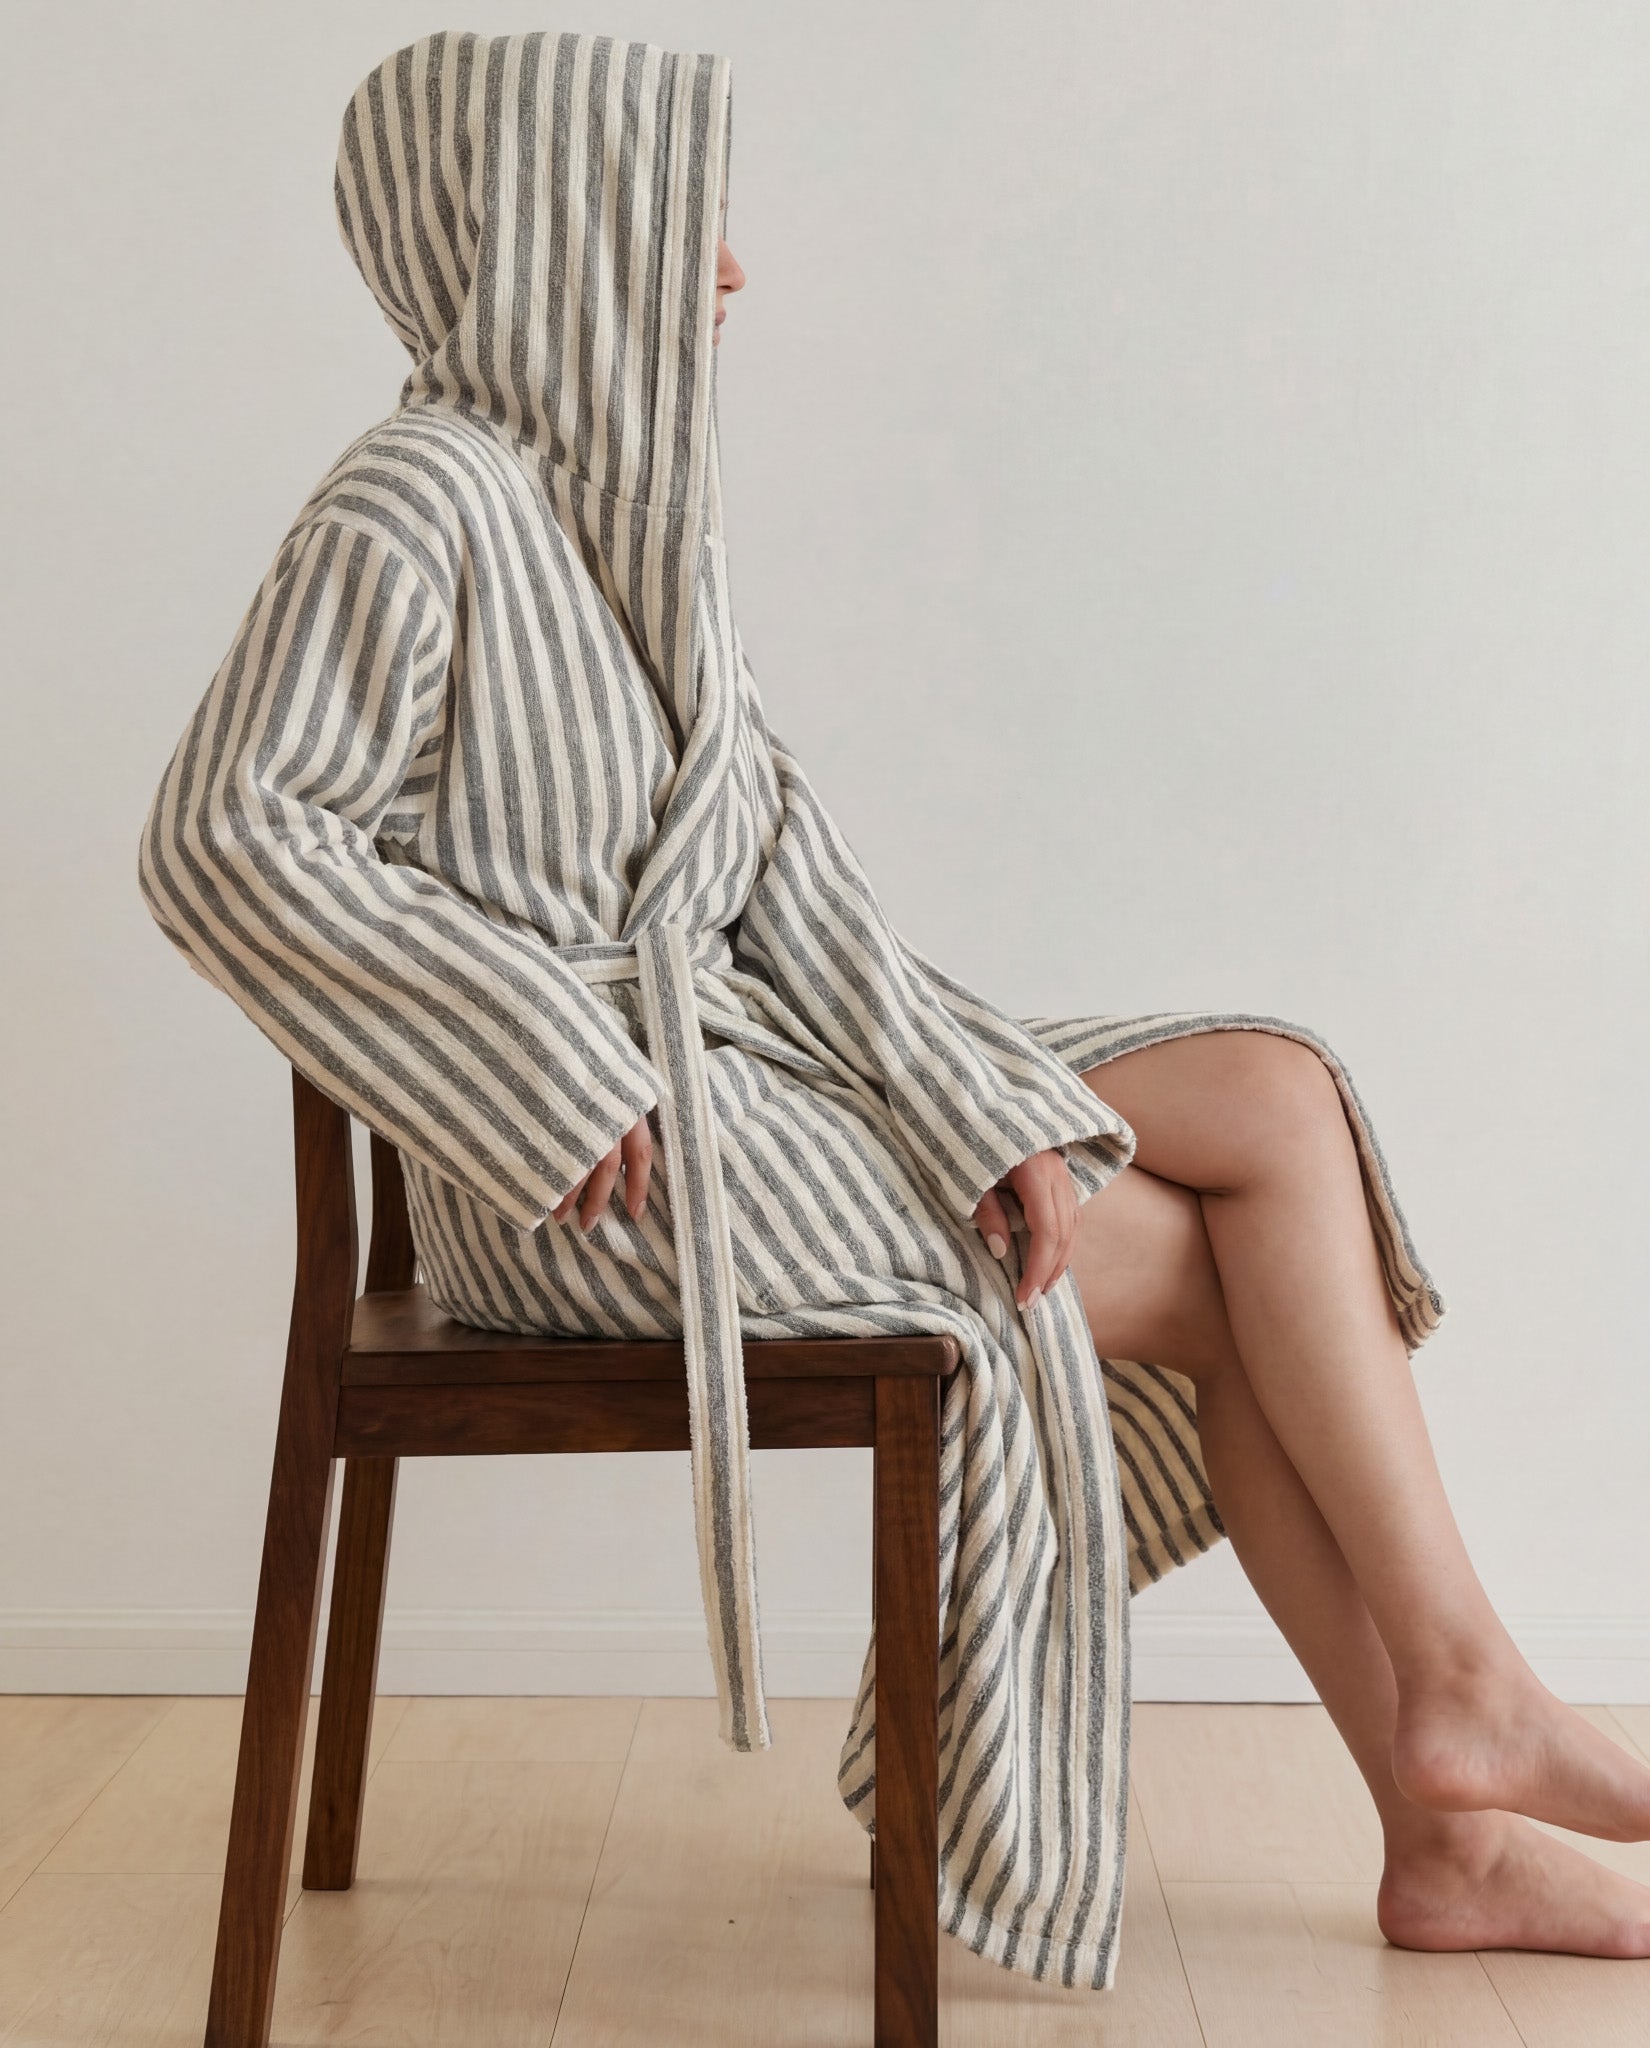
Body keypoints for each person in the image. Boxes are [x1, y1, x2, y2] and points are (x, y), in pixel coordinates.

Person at [138, 30, 1650, 1989]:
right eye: (689, 217)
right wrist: (535, 1055)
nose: (734, 271)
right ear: (533, 231)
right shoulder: (412, 502)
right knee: (1213, 1276)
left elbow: (781, 863)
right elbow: (229, 834)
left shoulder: (623, 511)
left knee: (1278, 1102)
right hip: (601, 1170)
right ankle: (1451, 1803)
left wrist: (963, 1098)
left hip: (754, 1080)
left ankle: (1463, 1717)